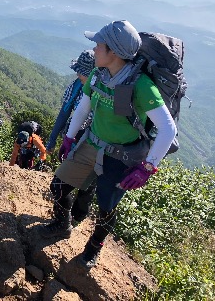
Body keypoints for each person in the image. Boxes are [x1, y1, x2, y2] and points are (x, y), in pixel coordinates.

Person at [40, 20, 177, 270]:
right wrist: (70, 138)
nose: (94, 50)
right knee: (58, 185)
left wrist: (147, 168)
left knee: (107, 207)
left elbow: (168, 130)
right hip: (91, 142)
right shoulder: (98, 74)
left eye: (99, 45)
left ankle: (93, 248)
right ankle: (63, 224)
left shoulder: (141, 86)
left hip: (121, 156)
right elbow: (84, 107)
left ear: (113, 52)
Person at [40, 50, 97, 238]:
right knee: (64, 182)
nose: (77, 74)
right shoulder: (76, 87)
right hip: (73, 141)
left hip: (91, 146)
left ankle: (73, 219)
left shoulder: (99, 93)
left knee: (85, 185)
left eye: (80, 71)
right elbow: (64, 113)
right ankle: (65, 219)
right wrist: (53, 138)